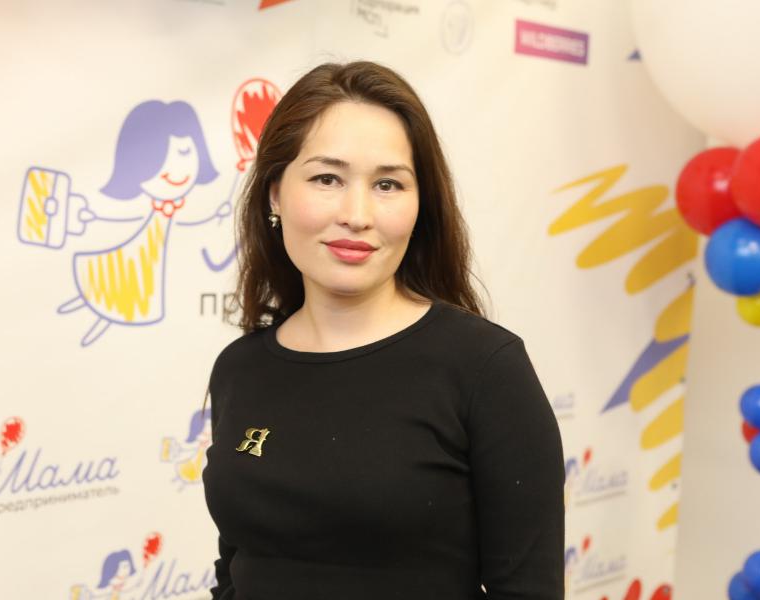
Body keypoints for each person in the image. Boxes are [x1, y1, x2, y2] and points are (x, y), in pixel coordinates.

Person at [201, 61, 564, 599]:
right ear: (275, 193)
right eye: (327, 178)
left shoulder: (485, 369)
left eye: (388, 184)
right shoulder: (241, 368)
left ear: (420, 206)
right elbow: (236, 568)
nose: (357, 214)